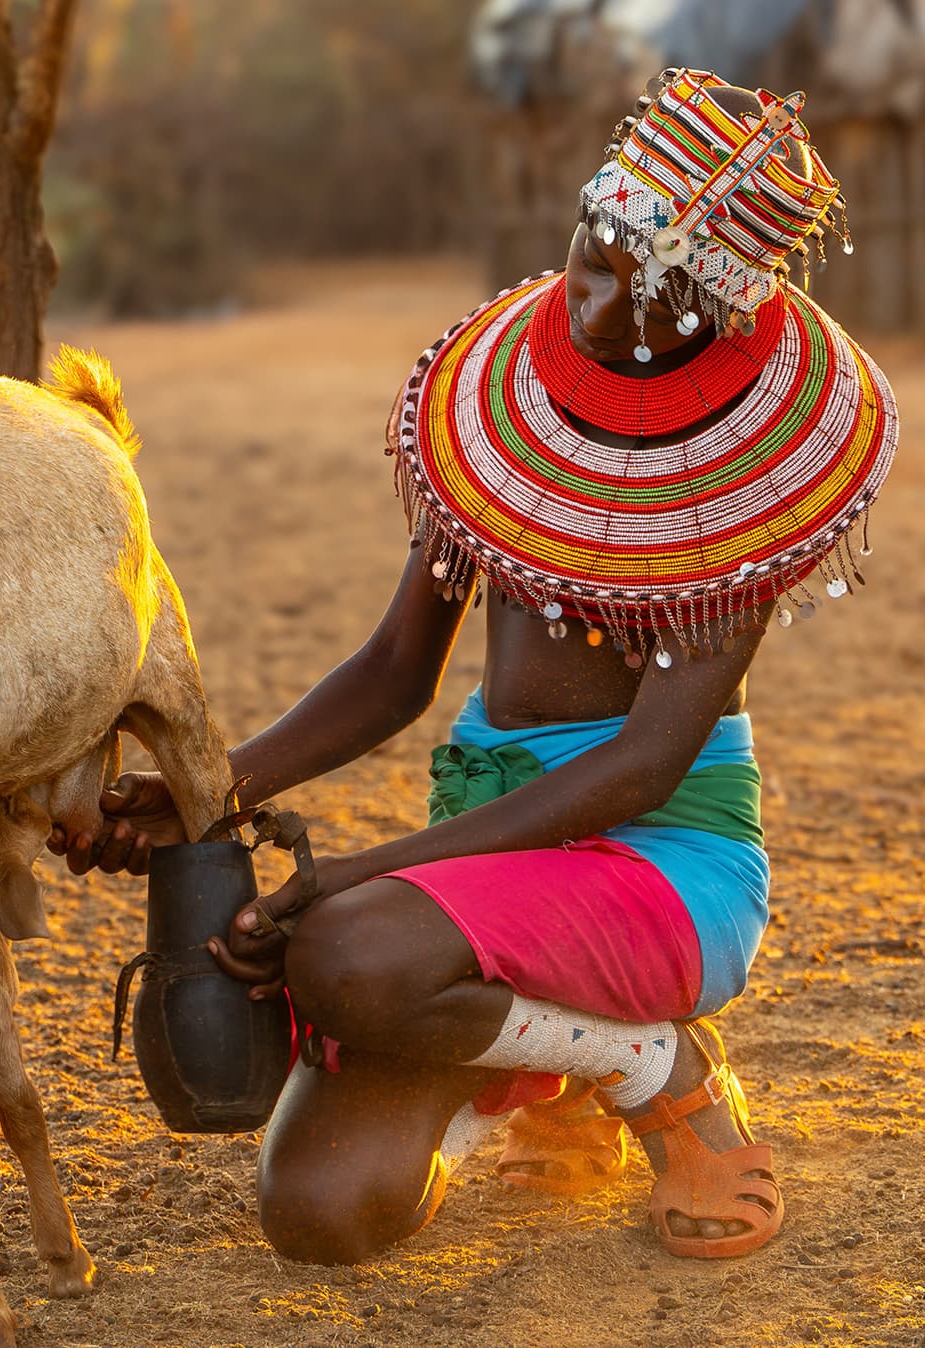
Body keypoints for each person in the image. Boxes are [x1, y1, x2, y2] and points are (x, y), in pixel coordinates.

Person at [50, 69, 897, 1263]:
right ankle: (542, 1063)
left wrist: (355, 875)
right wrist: (205, 789)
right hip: (502, 862)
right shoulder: (509, 417)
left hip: (659, 870)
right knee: (322, 1215)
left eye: (643, 290)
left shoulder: (739, 488)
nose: (595, 304)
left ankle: (652, 1065)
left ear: (714, 314)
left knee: (346, 950)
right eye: (590, 256)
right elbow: (397, 668)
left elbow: (639, 771)